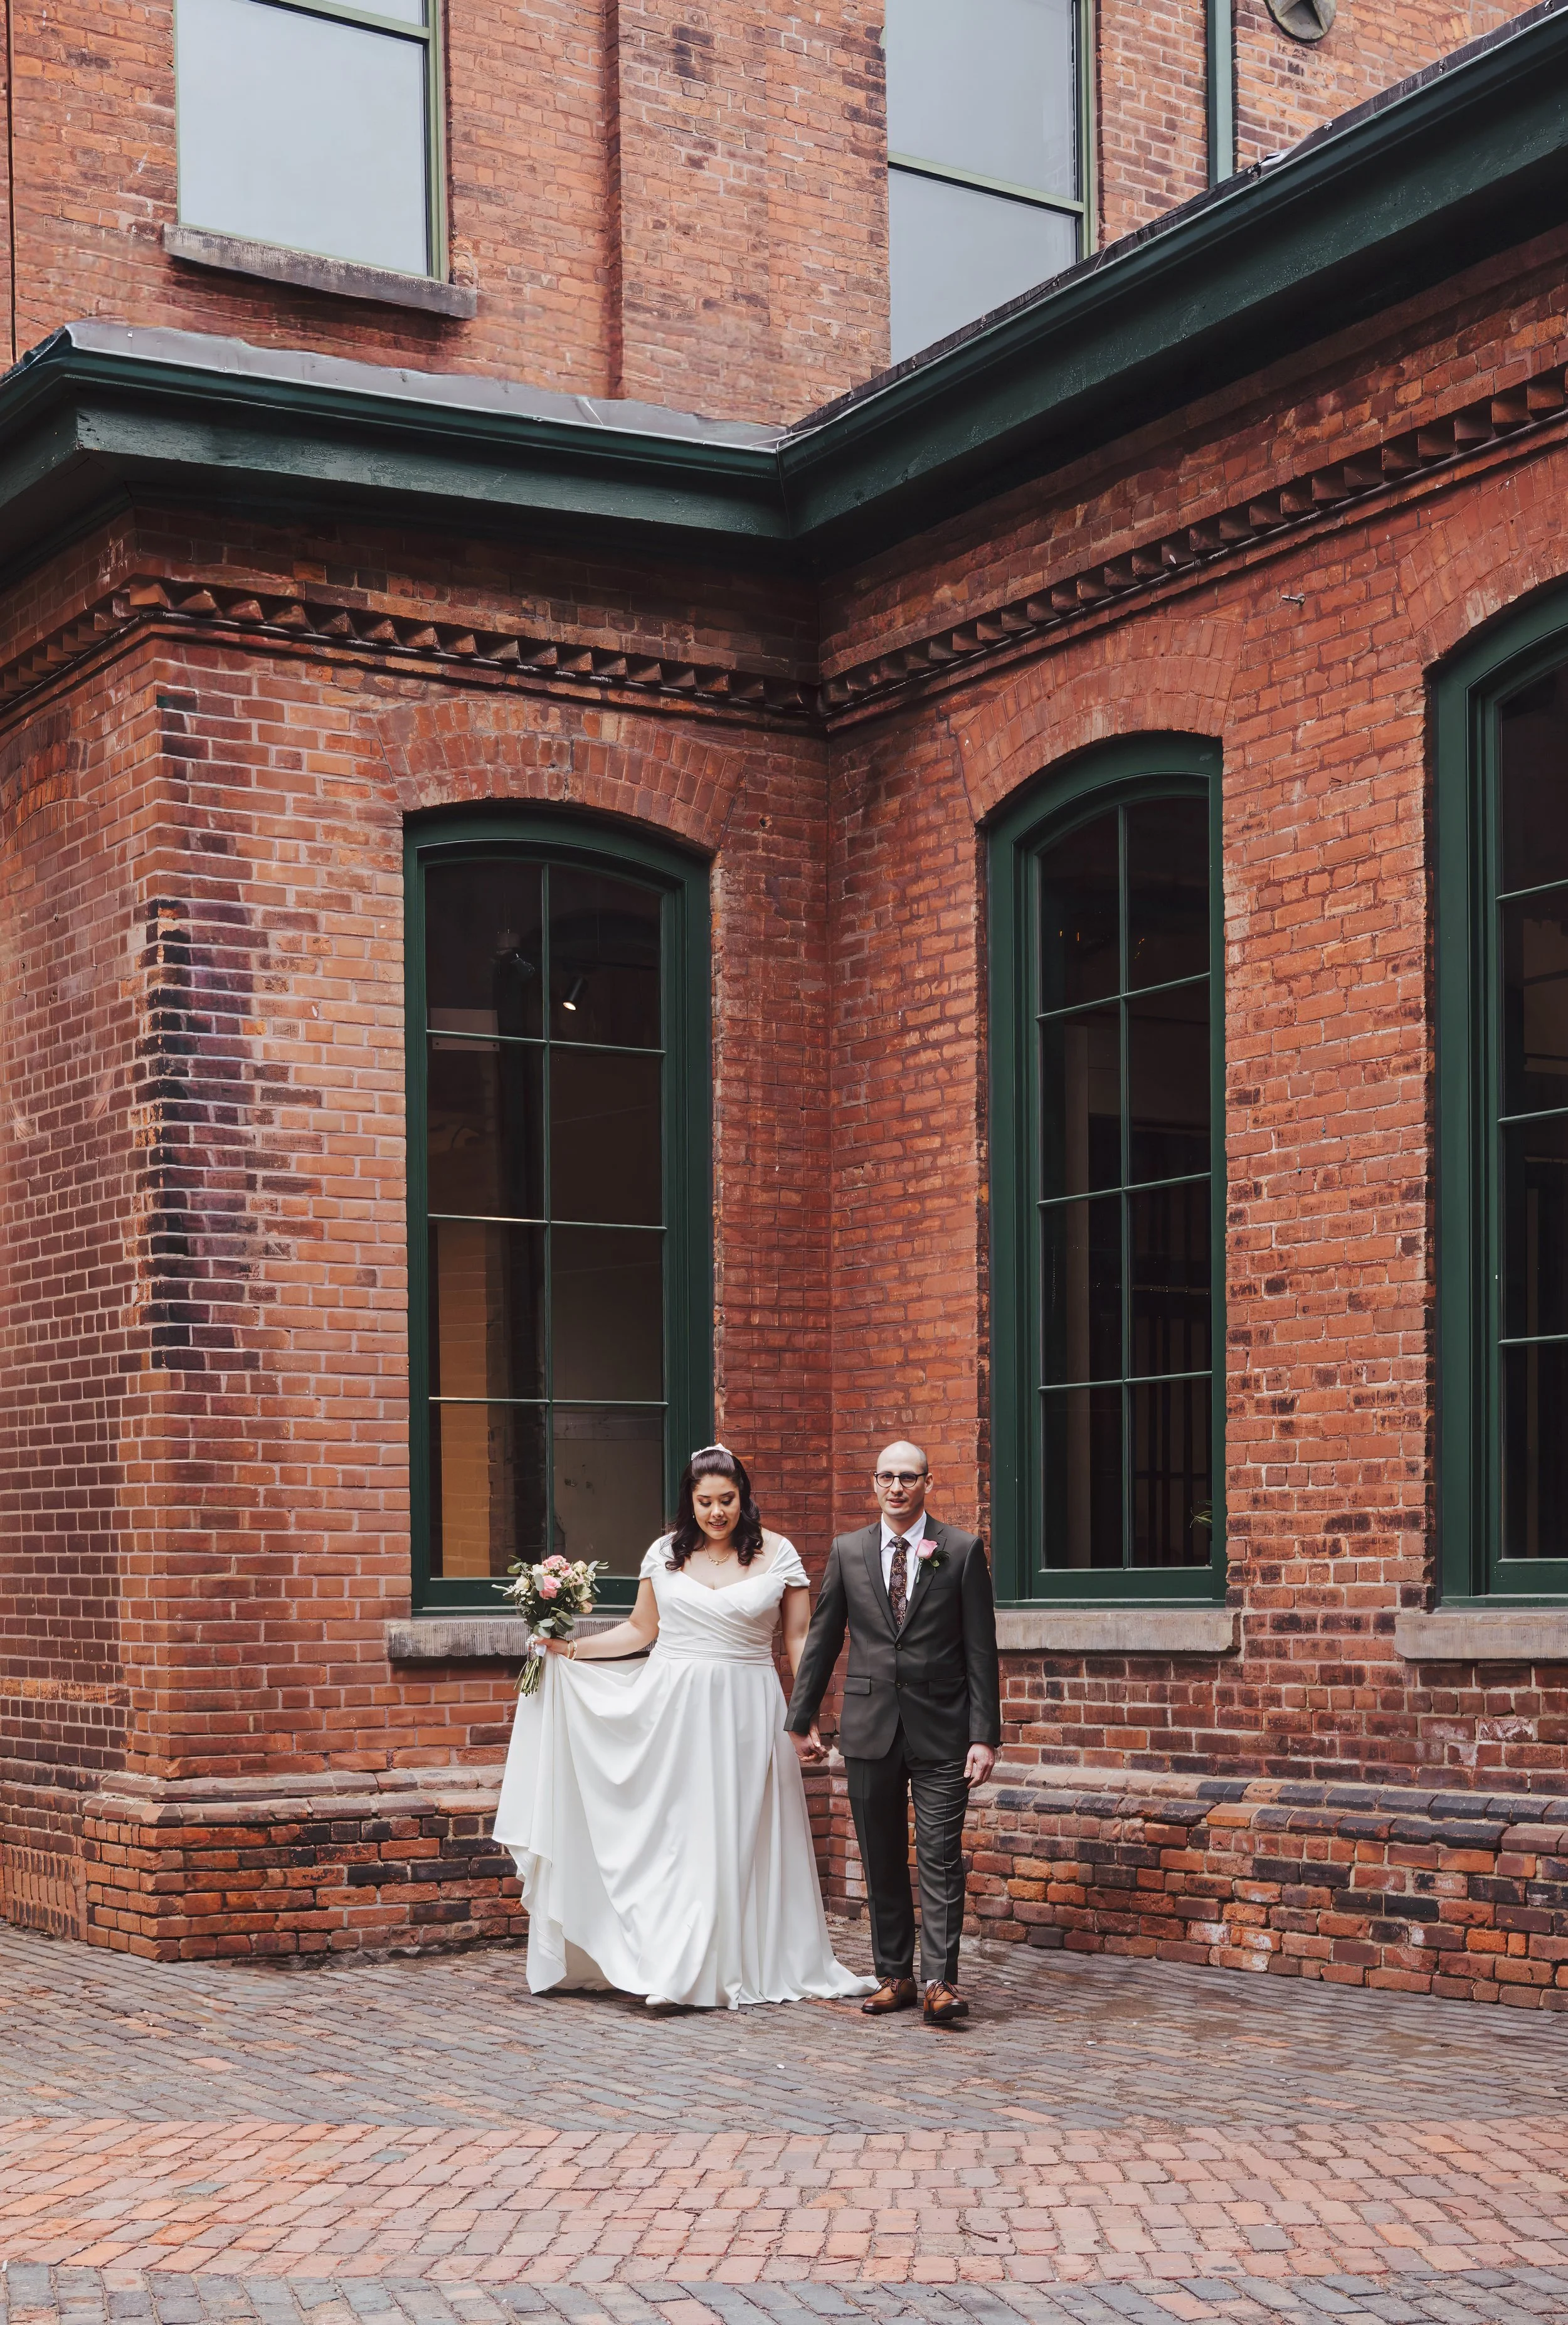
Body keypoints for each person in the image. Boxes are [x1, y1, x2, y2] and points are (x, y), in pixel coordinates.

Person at [492, 1444, 876, 2011]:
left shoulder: (779, 1553)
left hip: (748, 1708)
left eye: (727, 1500)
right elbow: (639, 1630)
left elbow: (799, 1641)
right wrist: (571, 1649)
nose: (716, 1512)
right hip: (670, 1708)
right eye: (704, 1502)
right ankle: (672, 1963)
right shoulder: (664, 1554)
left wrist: (806, 1714)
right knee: (677, 1837)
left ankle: (726, 1963)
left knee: (737, 1834)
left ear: (744, 1498)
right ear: (689, 1502)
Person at [785, 1440, 1001, 2027]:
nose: (897, 1487)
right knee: (880, 1855)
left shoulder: (960, 1550)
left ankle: (939, 1982)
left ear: (927, 1481)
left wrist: (984, 1736)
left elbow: (981, 1650)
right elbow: (824, 1640)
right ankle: (895, 1975)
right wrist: (800, 1720)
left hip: (944, 1731)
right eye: (886, 1476)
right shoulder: (848, 1551)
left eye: (908, 1476)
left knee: (939, 1853)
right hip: (869, 1728)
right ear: (874, 1483)